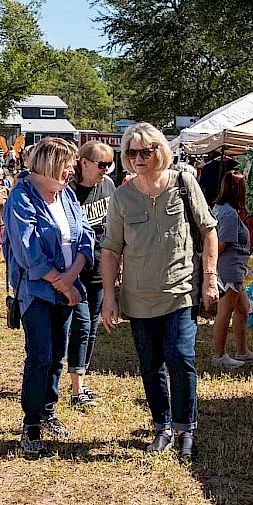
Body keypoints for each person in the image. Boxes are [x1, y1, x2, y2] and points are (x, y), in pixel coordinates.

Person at [100, 122, 218, 459]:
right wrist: (110, 296)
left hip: (180, 291)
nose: (137, 158)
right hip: (137, 299)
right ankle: (162, 427)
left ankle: (186, 429)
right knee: (150, 366)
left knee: (181, 358)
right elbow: (110, 249)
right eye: (131, 152)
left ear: (159, 152)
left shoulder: (183, 183)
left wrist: (209, 277)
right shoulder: (121, 196)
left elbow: (208, 230)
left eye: (144, 151)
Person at [3, 138, 94, 458]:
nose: (73, 169)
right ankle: (31, 423)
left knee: (57, 354)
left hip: (66, 289)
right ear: (51, 163)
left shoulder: (66, 195)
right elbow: (29, 253)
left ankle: (48, 411)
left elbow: (86, 236)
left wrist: (72, 278)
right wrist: (63, 283)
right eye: (69, 163)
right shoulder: (20, 198)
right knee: (40, 355)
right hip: (38, 292)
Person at [66, 140, 116, 409]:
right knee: (82, 324)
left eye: (109, 164)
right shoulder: (68, 191)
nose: (105, 170)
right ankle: (76, 389)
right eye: (101, 164)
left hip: (102, 267)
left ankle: (80, 380)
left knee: (93, 326)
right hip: (75, 270)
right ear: (83, 162)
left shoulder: (108, 187)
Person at [209, 171, 253, 369]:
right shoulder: (230, 215)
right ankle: (219, 355)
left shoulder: (220, 208)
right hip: (229, 270)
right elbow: (221, 244)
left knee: (243, 309)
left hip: (234, 269)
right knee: (224, 313)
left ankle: (242, 351)